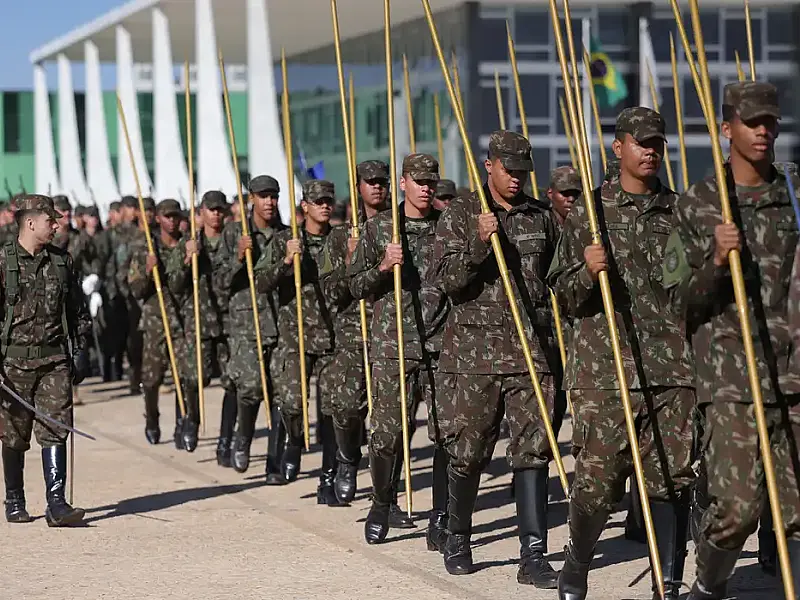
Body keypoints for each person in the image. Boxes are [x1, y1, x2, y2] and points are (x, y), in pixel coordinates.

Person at [549, 108, 696, 600]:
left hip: (671, 367)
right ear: (619, 148)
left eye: (658, 142)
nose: (651, 150)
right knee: (596, 481)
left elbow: (692, 291)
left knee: (672, 479)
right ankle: (577, 560)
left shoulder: (680, 211)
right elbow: (563, 297)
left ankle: (667, 579)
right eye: (641, 142)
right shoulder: (589, 213)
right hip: (605, 367)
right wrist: (586, 271)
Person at [663, 81, 800, 599]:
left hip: (793, 374)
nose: (764, 131)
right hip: (731, 378)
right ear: (727, 128)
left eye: (771, 121)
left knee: (796, 511)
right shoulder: (701, 203)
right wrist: (718, 263)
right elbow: (679, 303)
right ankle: (707, 587)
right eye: (752, 122)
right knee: (737, 509)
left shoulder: (793, 193)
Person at [432, 131, 561, 584]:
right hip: (473, 357)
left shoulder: (540, 216)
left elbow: (557, 280)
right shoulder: (462, 213)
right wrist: (478, 246)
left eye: (524, 172)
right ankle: (459, 536)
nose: (517, 179)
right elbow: (445, 280)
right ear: (489, 166)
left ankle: (533, 553)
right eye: (510, 171)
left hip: (531, 353)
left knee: (533, 452)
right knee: (467, 453)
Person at [348, 153, 449, 544]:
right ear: (403, 182)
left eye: (431, 182)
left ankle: (441, 516)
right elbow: (353, 285)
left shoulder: (446, 227)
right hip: (394, 344)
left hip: (441, 344)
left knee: (446, 434)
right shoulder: (382, 229)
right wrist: (381, 268)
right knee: (388, 432)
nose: (426, 188)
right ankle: (381, 502)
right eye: (419, 181)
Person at [0, 194, 91, 527]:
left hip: (54, 362)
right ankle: (14, 499)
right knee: (13, 435)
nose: (56, 225)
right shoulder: (4, 262)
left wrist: (81, 350)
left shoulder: (62, 262)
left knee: (55, 430)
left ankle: (57, 503)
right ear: (30, 222)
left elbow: (78, 311)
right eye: (50, 220)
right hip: (12, 366)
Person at [256, 180, 336, 499]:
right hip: (295, 335)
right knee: (290, 402)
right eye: (317, 202)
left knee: (334, 409)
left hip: (333, 336)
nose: (324, 207)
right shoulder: (286, 239)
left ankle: (328, 478)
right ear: (305, 206)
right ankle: (292, 440)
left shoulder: (339, 238)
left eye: (328, 201)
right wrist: (287, 262)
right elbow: (261, 281)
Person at [318, 160, 389, 505]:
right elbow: (331, 293)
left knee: (392, 419)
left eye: (382, 181)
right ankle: (347, 459)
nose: (377, 187)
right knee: (346, 407)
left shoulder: (399, 229)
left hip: (391, 330)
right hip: (351, 331)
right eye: (370, 181)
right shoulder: (339, 236)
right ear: (358, 186)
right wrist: (349, 262)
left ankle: (385, 492)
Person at [218, 176, 287, 479]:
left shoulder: (286, 235)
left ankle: (275, 462)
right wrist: (237, 257)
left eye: (273, 196)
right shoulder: (235, 232)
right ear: (251, 199)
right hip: (247, 323)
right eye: (263, 196)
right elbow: (219, 281)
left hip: (282, 322)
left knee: (282, 396)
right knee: (250, 390)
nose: (269, 202)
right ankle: (243, 439)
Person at [128, 199, 197, 450]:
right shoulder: (147, 247)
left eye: (176, 216)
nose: (172, 221)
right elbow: (135, 289)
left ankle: (184, 423)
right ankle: (152, 419)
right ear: (158, 218)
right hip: (156, 319)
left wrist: (192, 261)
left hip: (183, 319)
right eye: (167, 216)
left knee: (187, 376)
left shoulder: (187, 244)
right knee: (152, 378)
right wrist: (147, 270)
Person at [188, 191, 237, 467]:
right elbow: (175, 281)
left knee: (232, 382)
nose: (216, 214)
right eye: (211, 209)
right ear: (202, 212)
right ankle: (192, 419)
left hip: (230, 319)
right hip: (200, 319)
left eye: (220, 210)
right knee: (195, 378)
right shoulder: (194, 241)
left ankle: (225, 440)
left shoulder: (233, 239)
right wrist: (187, 259)